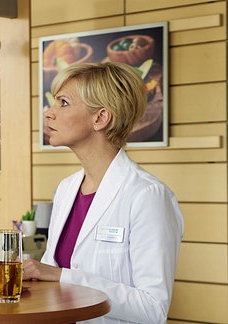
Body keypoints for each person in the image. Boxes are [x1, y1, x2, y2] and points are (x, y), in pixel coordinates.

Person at [23, 62, 184, 323]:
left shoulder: (148, 196)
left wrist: (63, 276)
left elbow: (153, 309)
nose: (48, 114)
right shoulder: (66, 189)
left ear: (100, 118)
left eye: (63, 103)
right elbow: (51, 277)